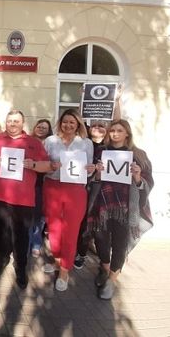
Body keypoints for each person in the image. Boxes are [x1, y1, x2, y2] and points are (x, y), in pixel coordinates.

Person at [0, 110, 49, 289]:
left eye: (16, 121)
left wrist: (33, 164)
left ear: (23, 123)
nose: (12, 124)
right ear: (6, 122)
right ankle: (0, 258)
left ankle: (20, 266)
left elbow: (48, 165)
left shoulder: (33, 143)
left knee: (21, 235)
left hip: (23, 200)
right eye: (10, 121)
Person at [89, 119, 153, 299]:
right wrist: (97, 173)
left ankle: (112, 280)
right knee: (100, 240)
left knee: (120, 244)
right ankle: (105, 268)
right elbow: (92, 179)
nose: (115, 133)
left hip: (126, 206)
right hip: (103, 204)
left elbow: (148, 181)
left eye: (119, 130)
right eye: (113, 130)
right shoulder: (102, 152)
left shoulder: (138, 154)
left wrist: (138, 176)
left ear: (127, 134)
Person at [43, 109, 96, 291]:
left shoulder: (86, 143)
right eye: (65, 122)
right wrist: (50, 166)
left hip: (75, 190)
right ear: (60, 123)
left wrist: (91, 169)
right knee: (54, 229)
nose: (68, 125)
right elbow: (43, 165)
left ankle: (65, 270)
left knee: (71, 231)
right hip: (53, 186)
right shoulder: (50, 141)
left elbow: (88, 169)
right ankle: (57, 261)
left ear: (78, 125)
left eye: (72, 122)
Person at [74, 119, 108, 269]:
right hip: (83, 186)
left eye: (101, 126)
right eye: (94, 125)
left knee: (101, 224)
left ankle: (104, 258)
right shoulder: (83, 143)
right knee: (84, 221)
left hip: (103, 190)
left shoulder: (110, 148)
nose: (97, 128)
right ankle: (81, 253)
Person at [29, 119, 53, 257]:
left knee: (38, 216)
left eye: (44, 128)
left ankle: (36, 243)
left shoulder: (50, 145)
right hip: (26, 184)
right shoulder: (28, 141)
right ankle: (27, 241)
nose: (41, 129)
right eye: (39, 126)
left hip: (41, 183)